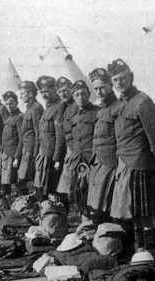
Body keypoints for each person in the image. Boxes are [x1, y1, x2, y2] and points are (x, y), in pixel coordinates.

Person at [107, 58, 155, 252]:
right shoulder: (118, 105)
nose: (119, 83)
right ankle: (139, 251)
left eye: (122, 78)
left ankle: (149, 253)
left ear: (130, 77)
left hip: (142, 165)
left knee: (146, 215)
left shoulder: (143, 102)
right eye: (115, 80)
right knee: (133, 214)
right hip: (125, 165)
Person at [87, 68, 118, 226]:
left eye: (102, 88)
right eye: (96, 89)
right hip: (98, 162)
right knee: (96, 206)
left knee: (107, 206)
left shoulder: (117, 108)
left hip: (111, 163)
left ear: (110, 86)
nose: (99, 92)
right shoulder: (101, 109)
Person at [68, 80, 98, 221]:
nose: (80, 97)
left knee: (94, 195)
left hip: (92, 160)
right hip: (78, 161)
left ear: (89, 94)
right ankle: (85, 226)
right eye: (77, 94)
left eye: (83, 94)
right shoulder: (75, 117)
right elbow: (71, 138)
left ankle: (95, 226)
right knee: (80, 194)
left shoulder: (97, 112)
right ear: (73, 97)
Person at [34, 76, 66, 200]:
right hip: (45, 154)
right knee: (45, 189)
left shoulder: (59, 107)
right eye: (41, 92)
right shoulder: (48, 107)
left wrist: (57, 158)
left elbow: (59, 135)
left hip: (53, 156)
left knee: (54, 191)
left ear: (54, 89)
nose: (44, 94)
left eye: (46, 91)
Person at [54, 76, 79, 209]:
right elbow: (61, 135)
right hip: (68, 150)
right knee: (64, 187)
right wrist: (58, 157)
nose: (63, 94)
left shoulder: (77, 105)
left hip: (77, 150)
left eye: (65, 90)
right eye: (59, 92)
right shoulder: (62, 108)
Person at [16, 81, 44, 194]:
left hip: (32, 150)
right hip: (26, 149)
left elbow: (38, 133)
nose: (20, 96)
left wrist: (35, 153)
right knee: (22, 180)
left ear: (31, 94)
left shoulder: (36, 108)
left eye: (23, 93)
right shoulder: (29, 108)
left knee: (33, 181)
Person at [0, 91, 23, 196]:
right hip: (6, 154)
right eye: (7, 104)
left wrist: (17, 157)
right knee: (5, 182)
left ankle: (23, 204)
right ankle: (8, 206)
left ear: (17, 103)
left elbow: (21, 139)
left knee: (18, 183)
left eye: (11, 103)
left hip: (13, 155)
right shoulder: (9, 117)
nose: (9, 106)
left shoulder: (20, 117)